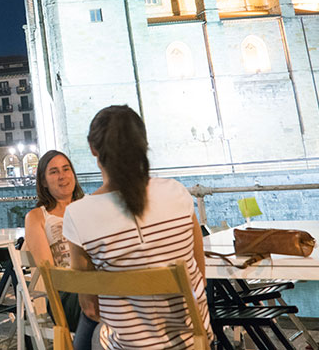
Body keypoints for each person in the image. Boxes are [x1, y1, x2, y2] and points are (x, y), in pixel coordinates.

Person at [63, 106, 211, 350]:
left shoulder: (79, 214)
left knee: (91, 329)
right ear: (143, 143)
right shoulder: (177, 193)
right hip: (193, 341)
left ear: (93, 149)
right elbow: (200, 275)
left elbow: (90, 306)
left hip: (127, 346)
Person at [24, 150, 95, 349]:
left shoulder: (90, 207)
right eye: (54, 172)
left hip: (98, 284)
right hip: (65, 295)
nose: (62, 176)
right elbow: (49, 273)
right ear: (44, 181)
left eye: (66, 169)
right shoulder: (37, 217)